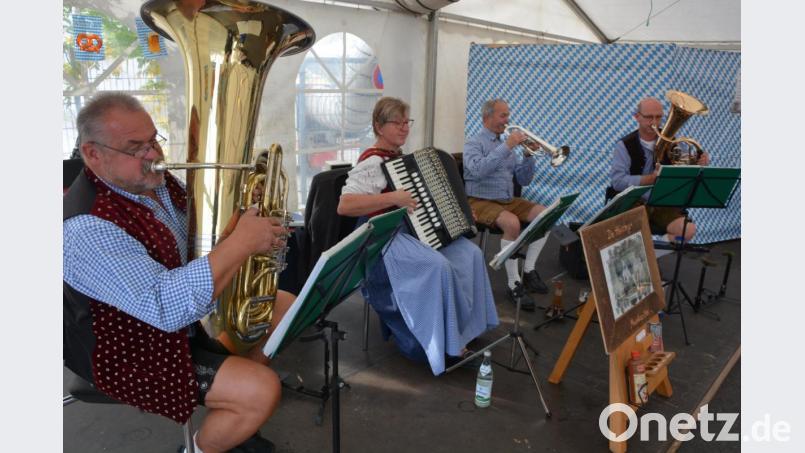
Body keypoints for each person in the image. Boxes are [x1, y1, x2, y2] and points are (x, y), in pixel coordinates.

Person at [63, 92, 294, 453]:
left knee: (282, 306)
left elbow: (199, 244)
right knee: (262, 389)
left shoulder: (156, 184)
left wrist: (250, 218)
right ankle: (201, 446)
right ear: (93, 154)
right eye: (135, 147)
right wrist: (241, 244)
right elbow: (164, 309)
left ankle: (236, 408)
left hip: (180, 309)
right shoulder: (85, 228)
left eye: (154, 139)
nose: (154, 155)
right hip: (130, 345)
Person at [337, 97, 499, 375]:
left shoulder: (401, 159)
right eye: (396, 123)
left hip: (414, 229)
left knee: (470, 253)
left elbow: (429, 200)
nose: (403, 128)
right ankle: (442, 346)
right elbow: (345, 206)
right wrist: (392, 197)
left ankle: (465, 329)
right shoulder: (372, 162)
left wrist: (460, 213)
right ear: (378, 126)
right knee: (437, 266)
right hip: (384, 239)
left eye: (406, 122)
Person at [463, 98, 549, 310]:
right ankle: (514, 283)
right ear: (486, 118)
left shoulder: (506, 145)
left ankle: (528, 270)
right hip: (479, 199)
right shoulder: (473, 143)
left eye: (507, 115)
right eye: (503, 115)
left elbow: (523, 180)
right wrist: (506, 146)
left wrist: (529, 156)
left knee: (545, 214)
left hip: (506, 199)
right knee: (512, 224)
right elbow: (478, 170)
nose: (507, 120)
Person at [608, 97, 710, 242]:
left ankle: (656, 253)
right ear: (637, 117)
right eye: (649, 117)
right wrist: (650, 179)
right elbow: (617, 182)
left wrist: (700, 163)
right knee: (634, 233)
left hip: (662, 203)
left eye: (659, 117)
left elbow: (686, 174)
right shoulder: (623, 145)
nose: (654, 122)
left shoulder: (674, 143)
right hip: (633, 204)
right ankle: (645, 254)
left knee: (687, 230)